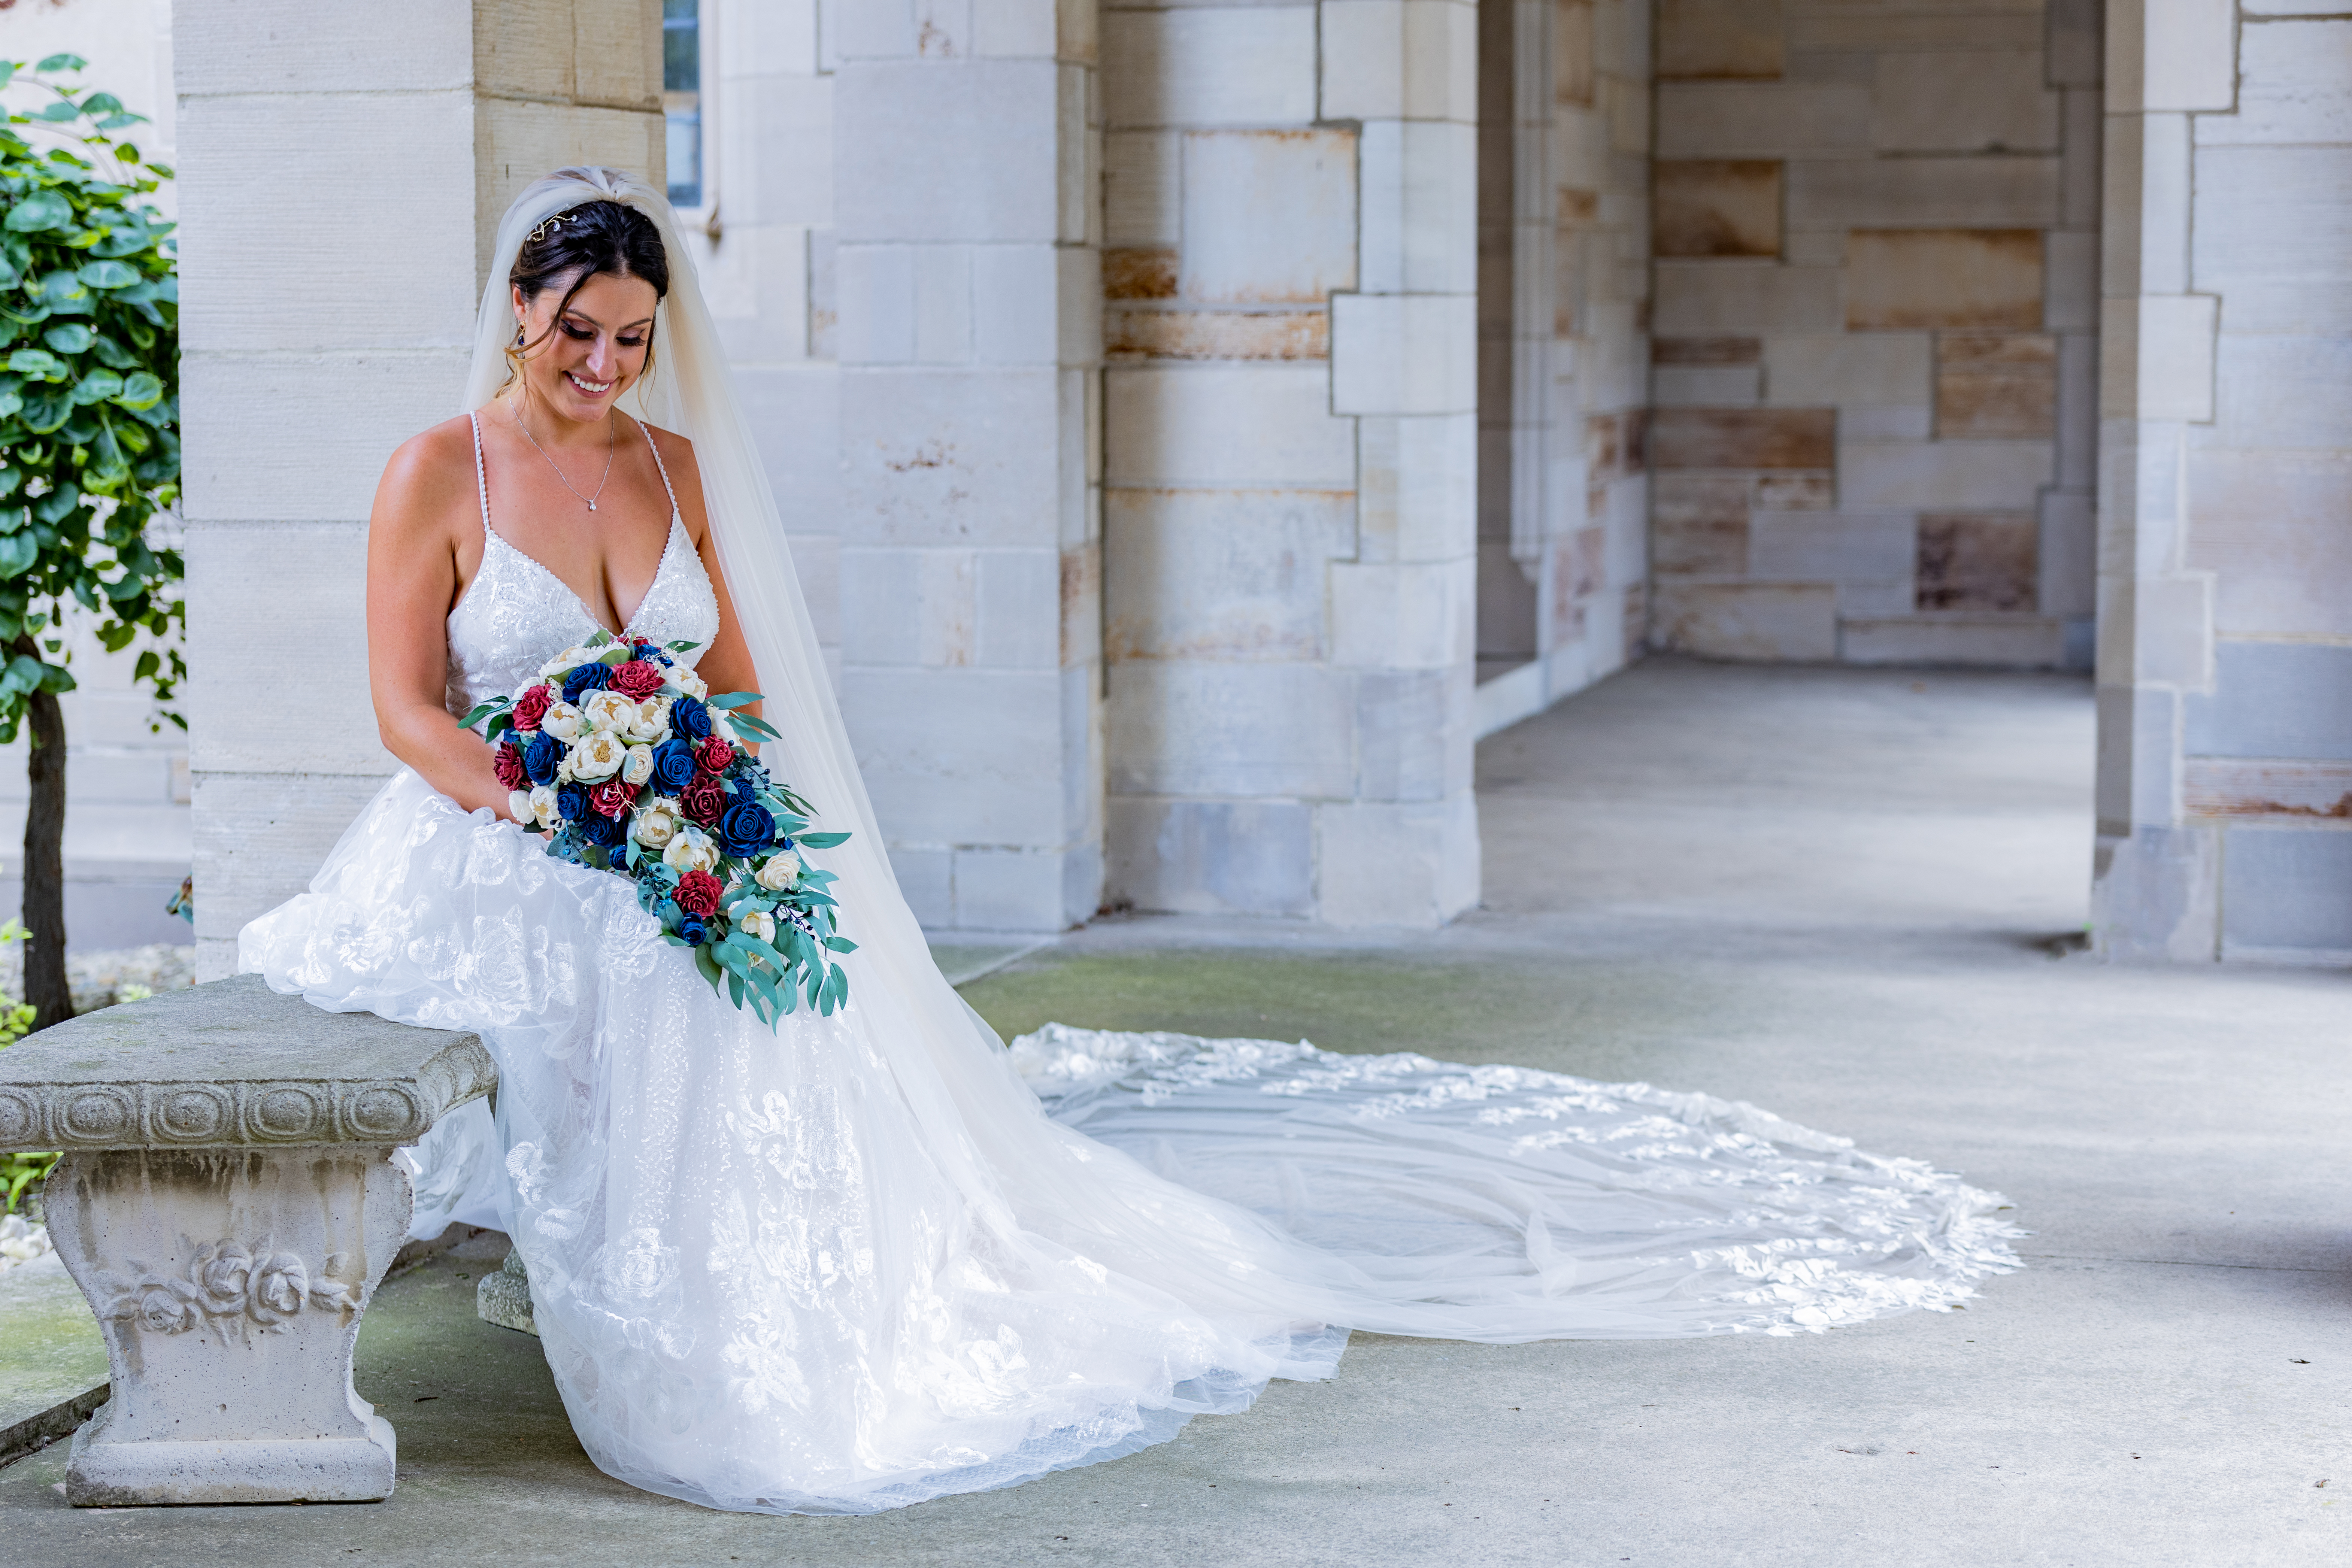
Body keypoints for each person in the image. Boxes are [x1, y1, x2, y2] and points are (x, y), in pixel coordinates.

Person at [242, 167, 2020, 1517]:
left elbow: (736, 675)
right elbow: (407, 705)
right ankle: (668, 1309)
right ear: (518, 314)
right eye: (578, 336)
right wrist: (557, 802)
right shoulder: (437, 470)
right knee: (643, 950)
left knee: (757, 947)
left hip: (676, 794)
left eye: (633, 337)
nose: (605, 366)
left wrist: (705, 786)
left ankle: (796, 1306)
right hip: (505, 823)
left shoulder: (680, 462)